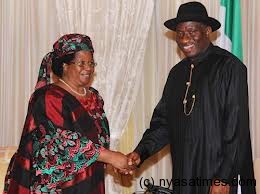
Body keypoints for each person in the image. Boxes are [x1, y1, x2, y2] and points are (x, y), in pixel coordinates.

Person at [126, 2, 256, 194]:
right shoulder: (176, 74)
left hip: (220, 177)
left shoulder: (230, 67)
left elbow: (236, 129)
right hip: (185, 175)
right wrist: (140, 152)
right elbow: (163, 124)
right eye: (180, 33)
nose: (185, 37)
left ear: (208, 30)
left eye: (192, 31)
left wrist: (223, 178)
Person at [3, 33, 131, 194]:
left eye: (91, 63)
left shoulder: (95, 97)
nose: (89, 68)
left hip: (92, 181)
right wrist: (111, 157)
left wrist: (115, 162)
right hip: (59, 186)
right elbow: (63, 140)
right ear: (64, 66)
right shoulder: (48, 97)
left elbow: (98, 140)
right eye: (81, 63)